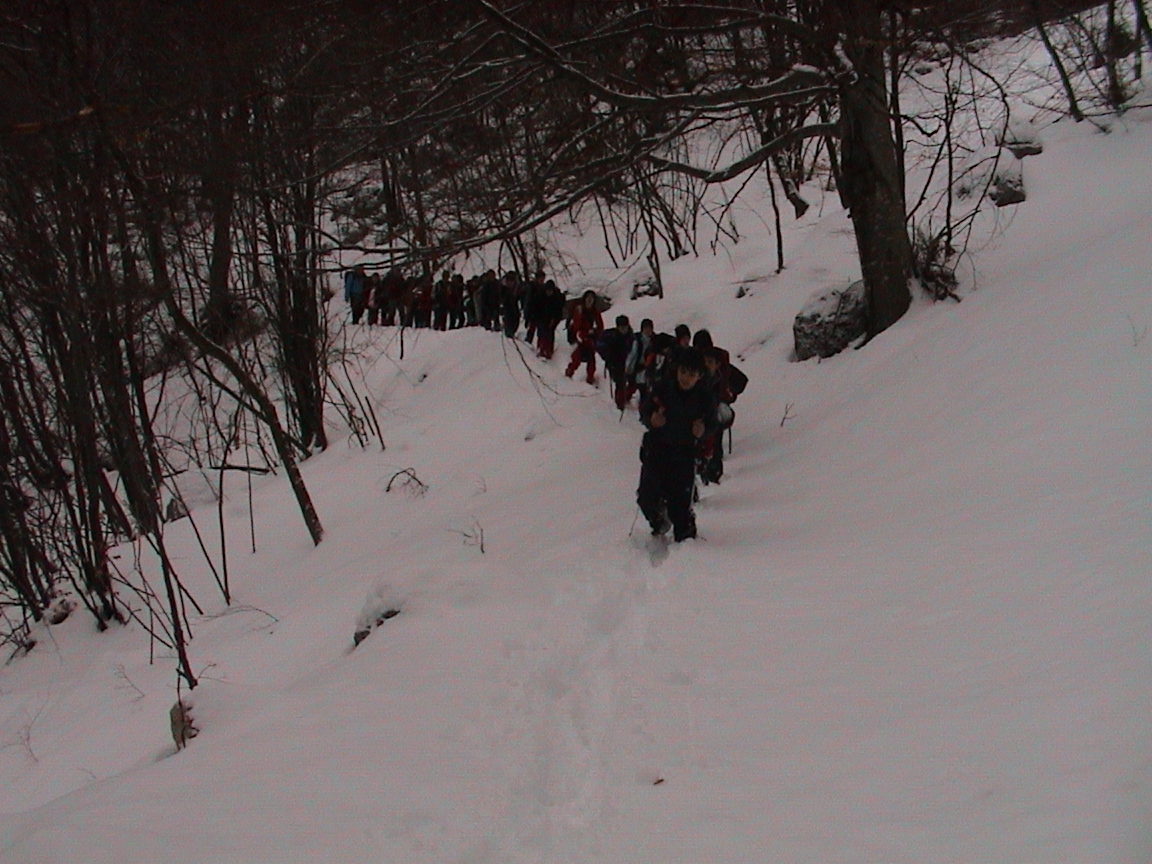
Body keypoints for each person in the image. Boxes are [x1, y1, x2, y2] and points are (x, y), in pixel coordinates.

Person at [636, 347, 716, 542]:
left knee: (680, 508)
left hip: (685, 455)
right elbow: (645, 410)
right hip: (657, 451)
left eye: (691, 374)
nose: (685, 378)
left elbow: (713, 422)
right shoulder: (663, 388)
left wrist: (703, 429)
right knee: (647, 498)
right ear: (676, 370)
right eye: (683, 372)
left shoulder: (704, 397)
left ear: (699, 376)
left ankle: (687, 547)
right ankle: (659, 522)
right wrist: (652, 419)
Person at [565, 289, 604, 384]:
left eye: (592, 298)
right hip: (579, 339)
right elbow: (576, 326)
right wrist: (581, 334)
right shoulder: (579, 310)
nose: (590, 300)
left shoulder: (595, 312)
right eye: (588, 298)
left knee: (591, 362)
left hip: (590, 340)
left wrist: (595, 334)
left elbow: (600, 326)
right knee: (576, 359)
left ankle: (590, 379)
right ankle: (568, 375)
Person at [598, 314, 635, 410]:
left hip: (629, 362)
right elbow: (600, 346)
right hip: (615, 363)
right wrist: (607, 357)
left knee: (632, 382)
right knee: (620, 383)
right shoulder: (611, 337)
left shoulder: (631, 337)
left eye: (625, 327)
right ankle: (620, 404)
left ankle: (626, 397)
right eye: (622, 327)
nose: (624, 329)